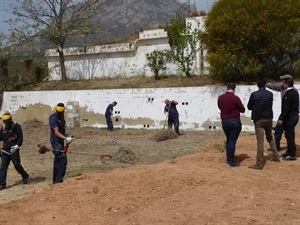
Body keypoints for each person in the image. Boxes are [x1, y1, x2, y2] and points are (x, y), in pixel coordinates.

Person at [247, 79, 280, 170]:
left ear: (257, 85)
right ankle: (276, 156)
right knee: (270, 137)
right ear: (265, 85)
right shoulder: (270, 94)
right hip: (269, 118)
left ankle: (259, 163)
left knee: (260, 141)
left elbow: (249, 107)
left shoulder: (254, 94)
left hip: (259, 119)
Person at [266, 74, 297, 151]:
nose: (282, 82)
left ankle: (291, 151)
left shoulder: (292, 91)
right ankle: (277, 146)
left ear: (287, 82)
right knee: (279, 130)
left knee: (288, 134)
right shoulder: (283, 88)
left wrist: (282, 117)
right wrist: (267, 85)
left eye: (283, 81)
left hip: (288, 115)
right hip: (286, 114)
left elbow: (290, 106)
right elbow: (274, 86)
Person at [217, 83, 245, 167]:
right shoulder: (235, 98)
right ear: (234, 88)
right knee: (232, 141)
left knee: (229, 140)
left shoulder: (220, 97)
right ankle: (231, 162)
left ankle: (228, 159)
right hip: (235, 121)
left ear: (227, 88)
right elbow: (242, 110)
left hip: (225, 121)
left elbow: (220, 107)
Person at [0, 112, 29, 190]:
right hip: (5, 150)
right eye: (4, 121)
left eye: (7, 121)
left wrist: (16, 146)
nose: (5, 123)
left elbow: (20, 138)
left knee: (17, 165)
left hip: (14, 150)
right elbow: (2, 138)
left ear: (10, 120)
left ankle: (25, 175)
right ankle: (2, 183)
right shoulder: (3, 128)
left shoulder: (16, 126)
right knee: (3, 167)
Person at [49, 103, 73, 184]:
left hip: (60, 141)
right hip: (55, 142)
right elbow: (56, 132)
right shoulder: (53, 118)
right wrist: (66, 138)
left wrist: (67, 136)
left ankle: (55, 181)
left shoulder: (62, 117)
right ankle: (58, 181)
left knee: (57, 160)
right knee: (62, 160)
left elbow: (62, 129)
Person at [278, 78, 299, 160]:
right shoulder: (295, 92)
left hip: (290, 118)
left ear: (286, 84)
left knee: (289, 136)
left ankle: (292, 154)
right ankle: (289, 151)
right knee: (288, 135)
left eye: (284, 83)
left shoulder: (288, 94)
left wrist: (281, 118)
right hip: (295, 116)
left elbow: (285, 109)